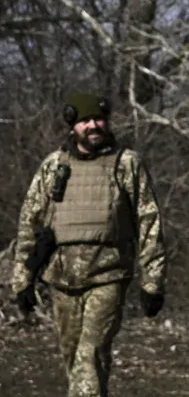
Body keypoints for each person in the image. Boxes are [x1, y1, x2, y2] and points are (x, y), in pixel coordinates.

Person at [10, 92, 168, 397]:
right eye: (85, 120)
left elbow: (149, 222)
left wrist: (153, 282)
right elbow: (30, 222)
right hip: (62, 280)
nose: (93, 125)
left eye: (98, 119)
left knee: (88, 357)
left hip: (108, 276)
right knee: (76, 362)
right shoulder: (54, 166)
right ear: (73, 126)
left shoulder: (126, 164)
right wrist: (22, 280)